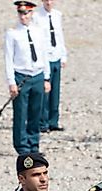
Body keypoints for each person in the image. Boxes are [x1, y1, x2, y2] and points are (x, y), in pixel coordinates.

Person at [4, 1, 50, 155]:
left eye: (26, 13)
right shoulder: (12, 33)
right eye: (21, 13)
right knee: (21, 112)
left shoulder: (39, 31)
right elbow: (8, 59)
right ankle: (22, 146)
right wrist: (11, 82)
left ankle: (33, 143)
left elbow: (44, 54)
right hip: (21, 75)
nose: (23, 16)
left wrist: (46, 77)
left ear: (32, 13)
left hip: (37, 74)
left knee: (35, 112)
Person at [33, 0, 66, 133]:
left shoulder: (57, 15)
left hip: (56, 55)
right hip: (44, 57)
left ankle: (54, 121)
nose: (49, 2)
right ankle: (43, 122)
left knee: (55, 91)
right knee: (44, 91)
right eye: (46, 0)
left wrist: (63, 55)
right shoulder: (36, 16)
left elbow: (59, 36)